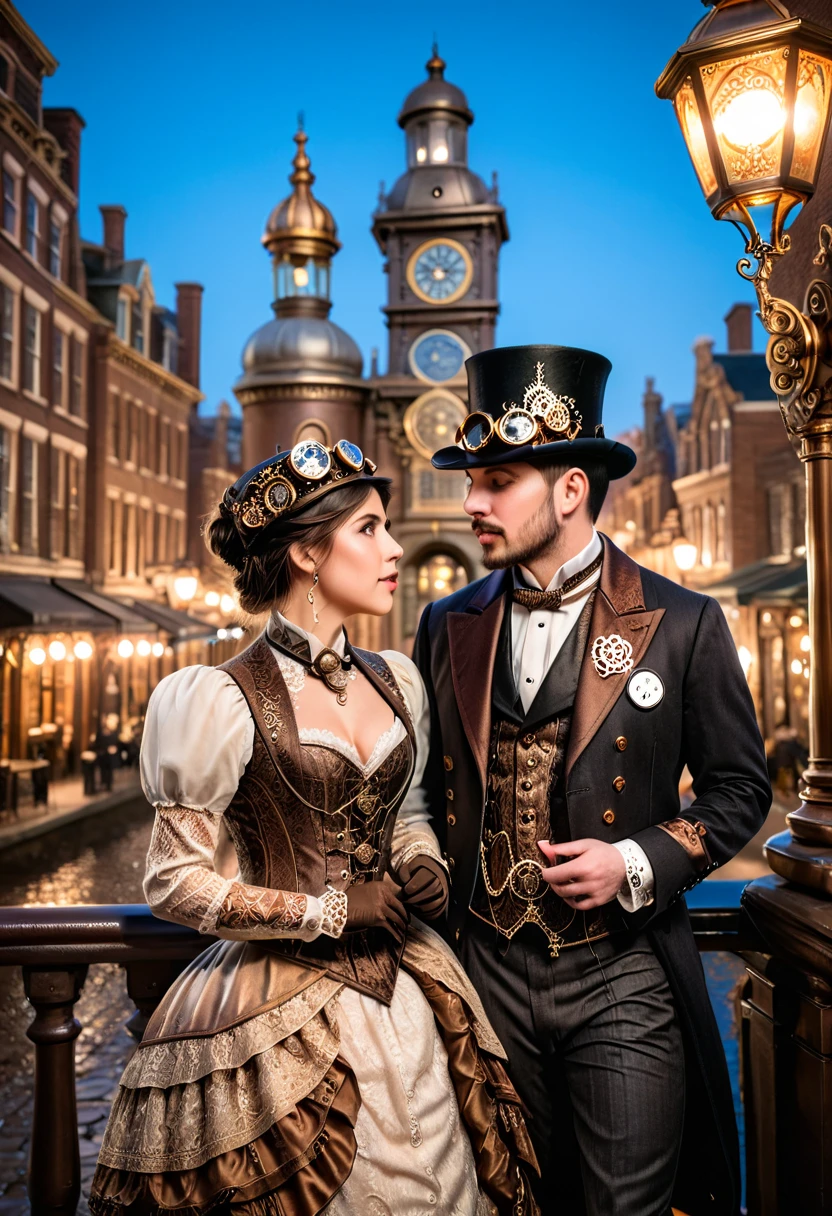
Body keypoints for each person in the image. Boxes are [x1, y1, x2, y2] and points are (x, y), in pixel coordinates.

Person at [89, 437, 538, 1216]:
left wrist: (420, 858)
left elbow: (410, 814)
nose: (394, 547)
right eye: (369, 529)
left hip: (412, 985)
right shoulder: (217, 699)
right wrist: (328, 910)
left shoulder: (395, 680)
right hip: (275, 1003)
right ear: (305, 552)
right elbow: (172, 881)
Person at [413, 345, 772, 1216]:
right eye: (473, 481)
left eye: (497, 480)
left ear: (569, 489)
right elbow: (421, 788)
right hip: (483, 974)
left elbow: (739, 790)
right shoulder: (445, 623)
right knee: (514, 1200)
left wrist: (635, 863)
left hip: (621, 971)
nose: (472, 503)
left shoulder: (684, 622)